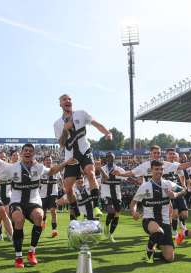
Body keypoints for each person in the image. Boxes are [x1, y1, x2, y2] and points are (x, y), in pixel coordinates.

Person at [0, 143, 75, 268]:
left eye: (30, 151)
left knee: (39, 216)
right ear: (22, 153)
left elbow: (52, 171)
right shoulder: (12, 168)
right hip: (16, 201)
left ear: (33, 154)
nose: (28, 152)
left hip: (33, 201)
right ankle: (18, 256)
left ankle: (32, 251)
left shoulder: (38, 167)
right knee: (19, 219)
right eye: (25, 150)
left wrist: (66, 162)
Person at [53, 94, 112, 226]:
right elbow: (62, 144)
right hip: (71, 158)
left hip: (85, 151)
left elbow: (96, 123)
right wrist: (65, 130)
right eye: (64, 100)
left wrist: (107, 132)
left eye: (69, 99)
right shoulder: (57, 124)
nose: (67, 101)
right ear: (60, 104)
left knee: (90, 174)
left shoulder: (81, 113)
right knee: (68, 189)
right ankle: (74, 208)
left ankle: (96, 206)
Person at [130, 160, 186, 263]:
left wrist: (175, 195)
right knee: (158, 231)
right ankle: (149, 250)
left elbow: (183, 190)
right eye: (156, 169)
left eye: (161, 169)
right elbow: (133, 203)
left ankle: (156, 250)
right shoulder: (145, 186)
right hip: (149, 221)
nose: (159, 171)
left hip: (165, 223)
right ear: (151, 170)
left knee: (169, 258)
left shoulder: (168, 184)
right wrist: (134, 212)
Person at [98, 152, 126, 242]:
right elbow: (97, 180)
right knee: (111, 211)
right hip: (106, 195)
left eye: (112, 157)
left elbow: (127, 177)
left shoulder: (119, 169)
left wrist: (136, 180)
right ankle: (106, 225)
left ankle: (110, 234)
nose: (110, 159)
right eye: (108, 157)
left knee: (117, 214)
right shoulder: (102, 169)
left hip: (117, 196)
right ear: (106, 159)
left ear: (114, 159)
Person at [40, 155, 62, 238]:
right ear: (44, 161)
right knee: (43, 213)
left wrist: (63, 187)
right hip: (42, 194)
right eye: (47, 160)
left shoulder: (56, 170)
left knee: (53, 211)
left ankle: (54, 230)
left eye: (50, 160)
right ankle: (43, 223)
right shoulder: (41, 171)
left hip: (53, 194)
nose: (48, 161)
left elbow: (60, 180)